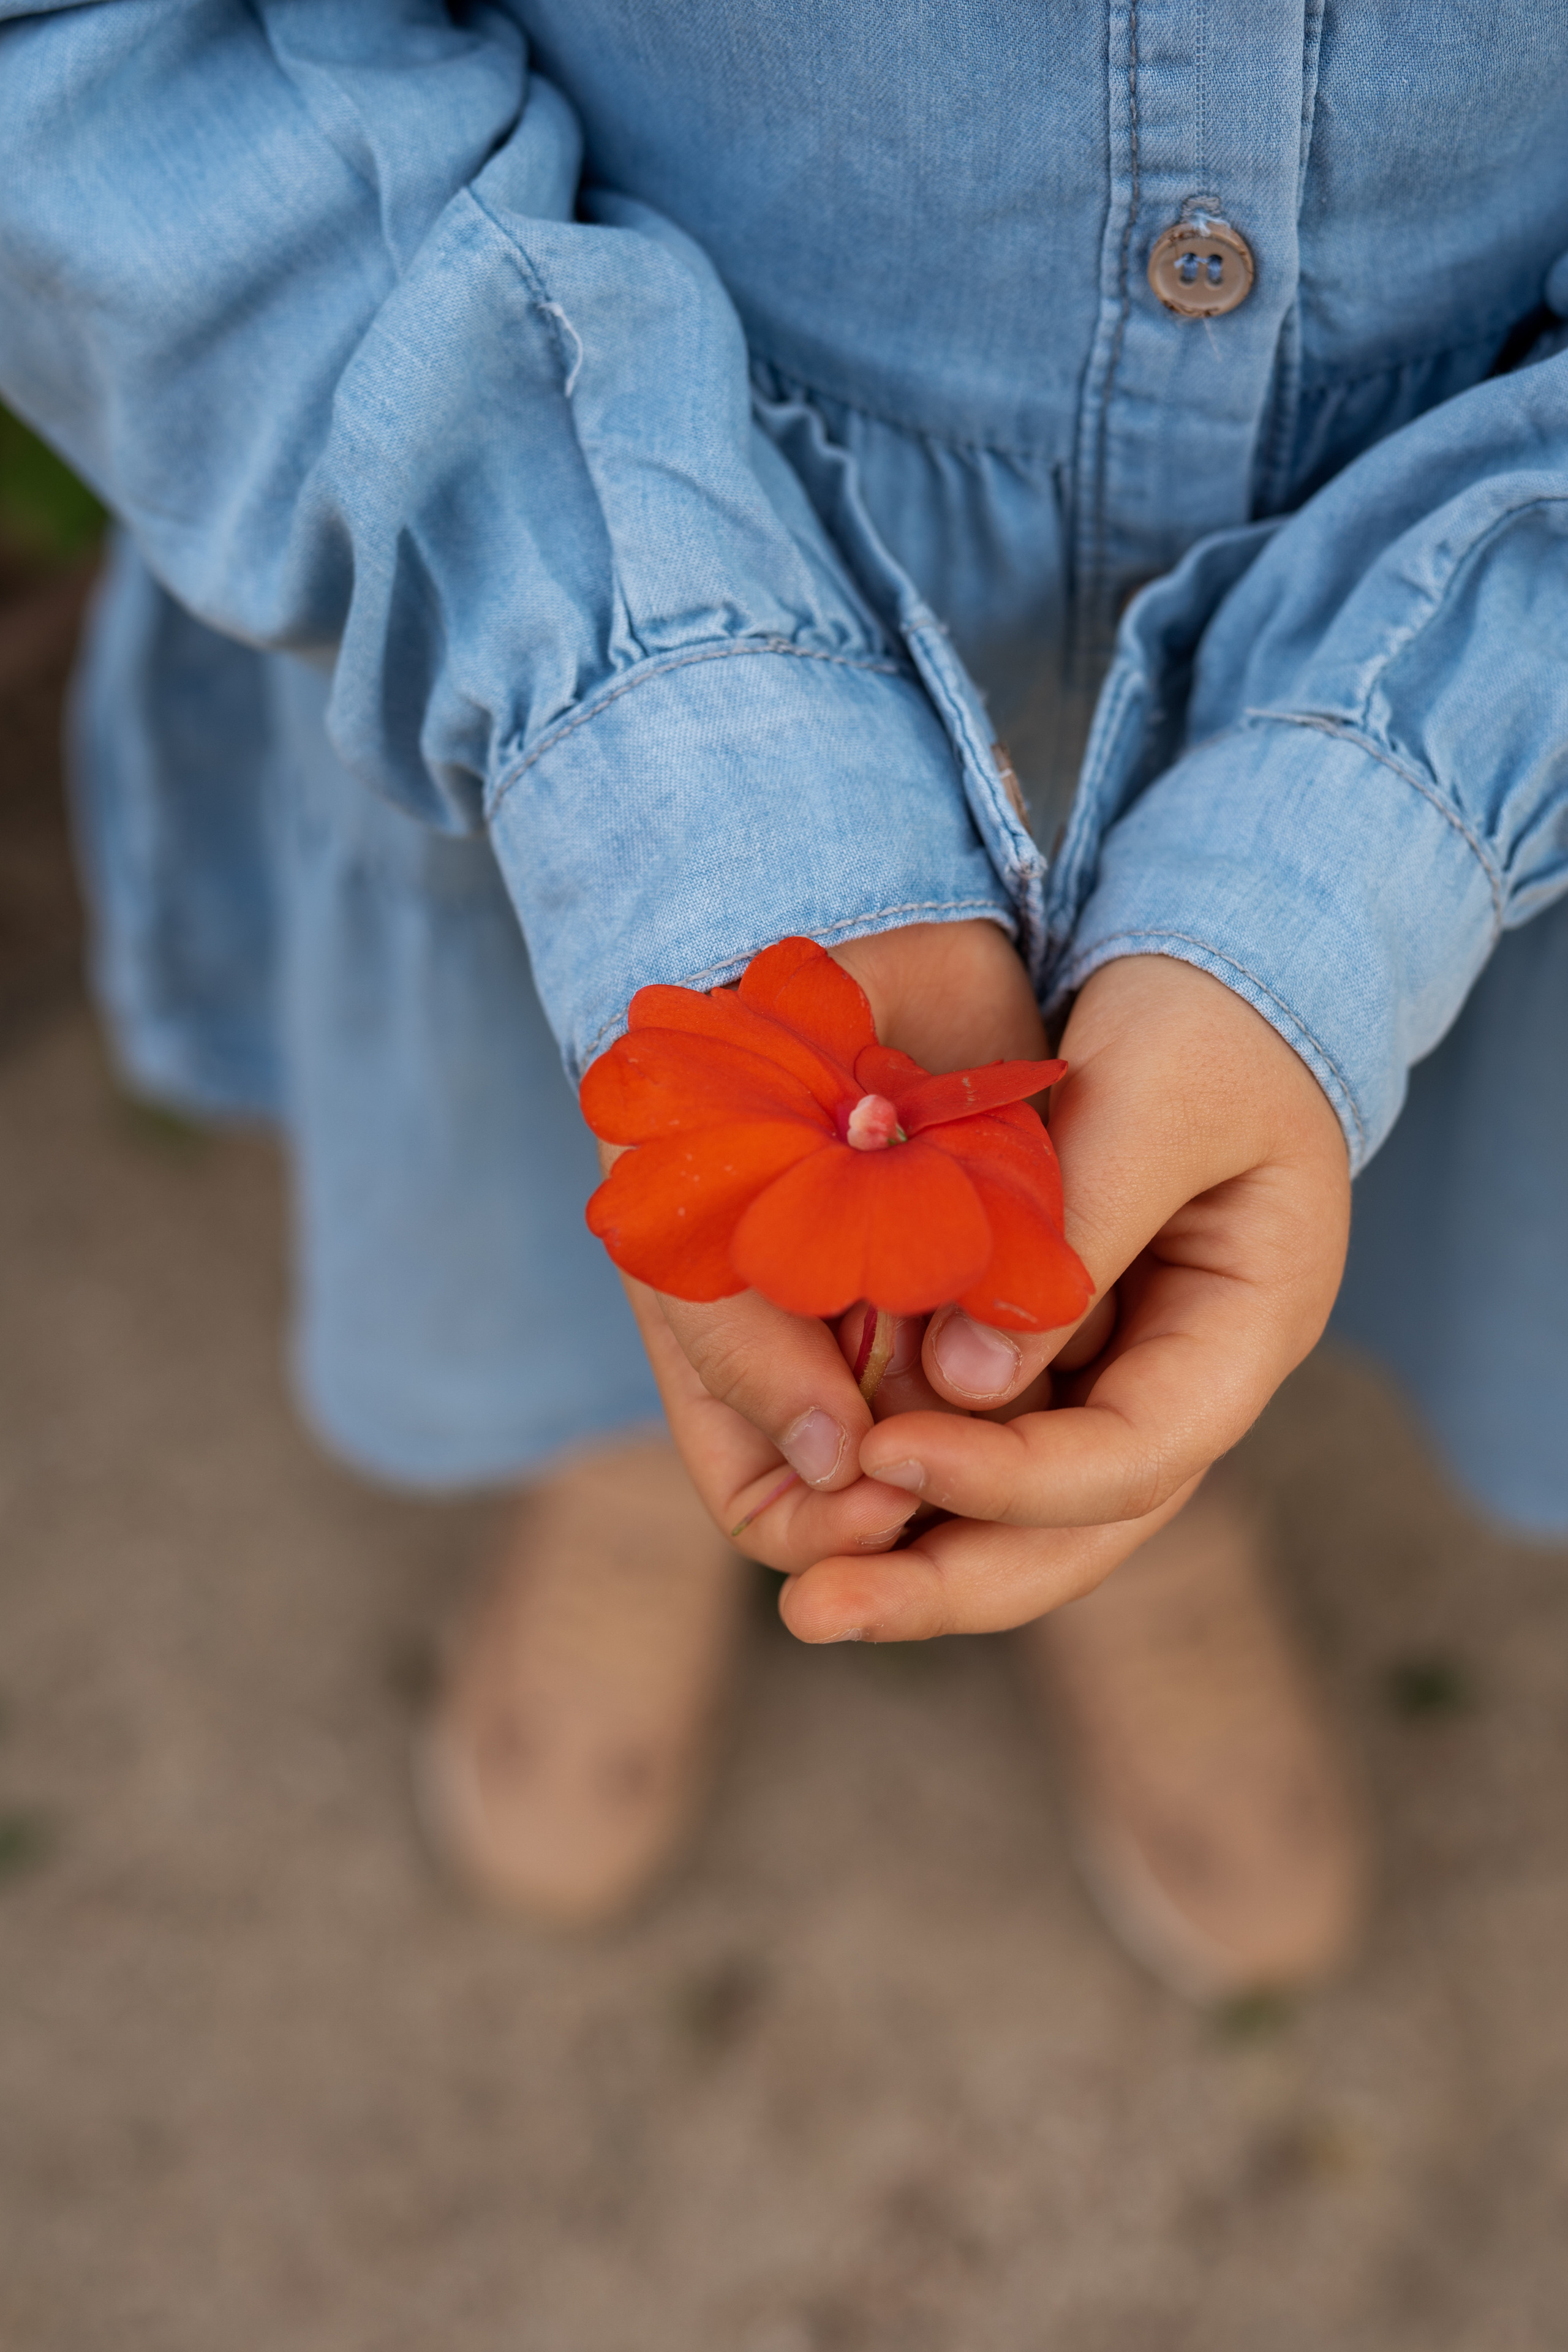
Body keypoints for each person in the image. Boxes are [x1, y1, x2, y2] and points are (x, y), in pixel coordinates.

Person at [4, 1, 1566, 1999]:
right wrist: (650, 725)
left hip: (1444, 561)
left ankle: (1126, 1484)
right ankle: (634, 1457)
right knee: (632, 1154)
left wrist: (1362, 833)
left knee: (1153, 1223)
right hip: (602, 477)